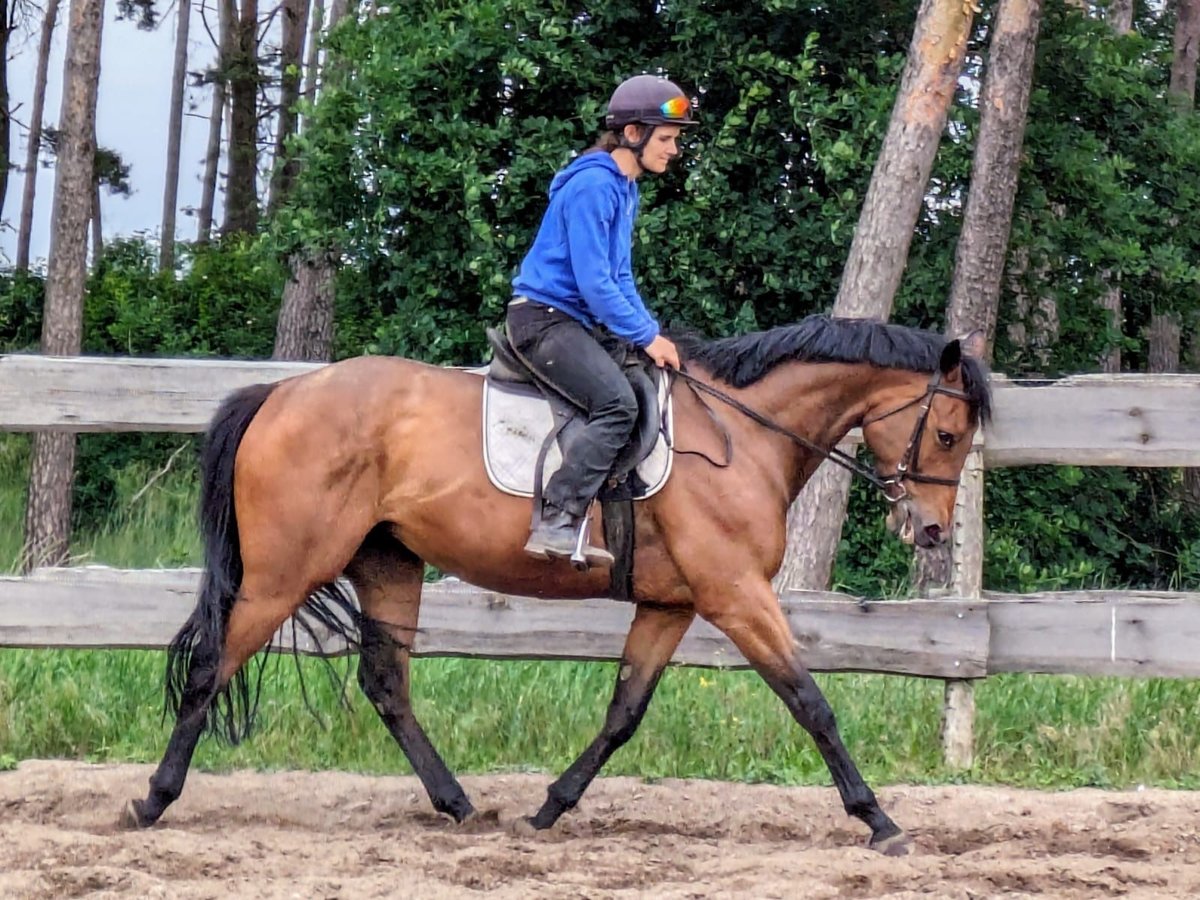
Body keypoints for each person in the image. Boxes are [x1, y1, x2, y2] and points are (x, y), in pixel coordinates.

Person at [507, 74, 695, 565]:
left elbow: (620, 278)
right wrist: (644, 335)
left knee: (639, 384)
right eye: (668, 137)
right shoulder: (594, 187)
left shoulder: (623, 188)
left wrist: (652, 333)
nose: (674, 149)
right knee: (617, 404)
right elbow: (594, 284)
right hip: (543, 322)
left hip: (574, 323)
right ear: (633, 133)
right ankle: (558, 517)